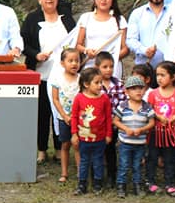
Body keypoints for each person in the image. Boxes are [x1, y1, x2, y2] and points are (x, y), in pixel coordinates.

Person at [21, 0, 76, 164]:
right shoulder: (31, 19)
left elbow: (75, 40)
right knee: (42, 114)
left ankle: (60, 148)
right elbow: (23, 44)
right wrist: (36, 55)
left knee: (60, 112)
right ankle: (42, 150)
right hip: (41, 75)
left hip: (63, 76)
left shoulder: (67, 18)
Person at [145, 61, 175, 197]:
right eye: (157, 75)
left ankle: (170, 183)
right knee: (152, 157)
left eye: (163, 75)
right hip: (155, 133)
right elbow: (148, 110)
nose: (159, 78)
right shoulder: (153, 94)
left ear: (173, 77)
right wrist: (157, 116)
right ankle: (150, 182)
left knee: (170, 159)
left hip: (171, 133)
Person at [70, 66, 112, 195]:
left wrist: (108, 134)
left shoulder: (104, 98)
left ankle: (97, 183)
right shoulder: (79, 98)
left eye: (101, 82)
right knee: (84, 161)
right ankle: (82, 184)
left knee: (98, 161)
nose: (100, 85)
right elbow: (75, 116)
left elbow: (108, 117)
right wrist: (74, 134)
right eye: (97, 82)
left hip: (99, 138)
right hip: (83, 138)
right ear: (86, 84)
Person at [74, 0, 129, 76]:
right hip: (91, 66)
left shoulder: (119, 20)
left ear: (112, 0)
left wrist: (110, 60)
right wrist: (87, 51)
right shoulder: (86, 18)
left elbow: (125, 49)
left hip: (112, 69)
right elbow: (78, 45)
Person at [114, 75, 155, 198]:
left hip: (140, 143)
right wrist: (126, 129)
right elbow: (115, 120)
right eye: (134, 89)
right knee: (124, 164)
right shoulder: (123, 106)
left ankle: (137, 185)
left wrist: (142, 129)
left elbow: (152, 122)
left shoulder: (147, 107)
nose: (138, 91)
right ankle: (121, 185)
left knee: (138, 165)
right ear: (126, 91)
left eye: (140, 88)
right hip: (125, 142)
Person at [95, 51, 127, 186]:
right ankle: (97, 176)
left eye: (111, 66)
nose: (109, 70)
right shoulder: (95, 84)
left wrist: (116, 118)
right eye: (105, 67)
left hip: (113, 124)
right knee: (97, 151)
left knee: (110, 149)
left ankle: (111, 176)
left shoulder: (118, 84)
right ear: (97, 68)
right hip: (97, 125)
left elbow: (123, 103)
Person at [50, 47, 81, 183]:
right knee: (65, 145)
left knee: (78, 145)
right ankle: (64, 173)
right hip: (64, 118)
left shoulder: (81, 79)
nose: (74, 63)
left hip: (79, 119)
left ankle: (81, 172)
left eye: (77, 60)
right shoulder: (57, 79)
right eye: (70, 61)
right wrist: (64, 115)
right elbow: (55, 99)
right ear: (62, 63)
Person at [126, 0, 170, 69]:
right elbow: (130, 40)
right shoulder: (137, 14)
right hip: (144, 69)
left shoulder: (174, 13)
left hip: (169, 69)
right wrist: (144, 50)